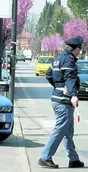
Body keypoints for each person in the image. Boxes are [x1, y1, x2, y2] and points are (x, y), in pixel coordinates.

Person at [38, 36, 85, 169]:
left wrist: (58, 87)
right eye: (79, 49)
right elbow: (70, 80)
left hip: (58, 99)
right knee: (60, 130)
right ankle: (45, 157)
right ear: (76, 49)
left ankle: (73, 159)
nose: (80, 51)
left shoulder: (58, 59)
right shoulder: (69, 61)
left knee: (67, 131)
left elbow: (48, 75)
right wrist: (73, 95)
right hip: (64, 102)